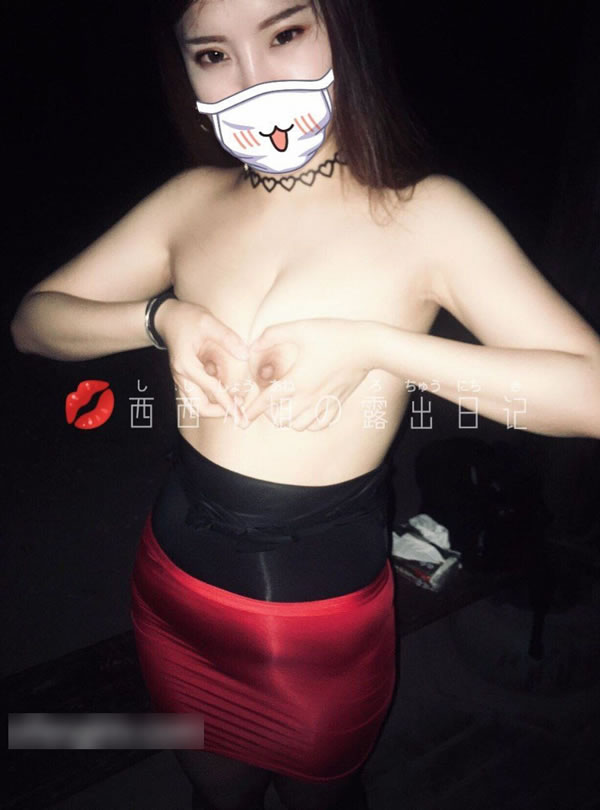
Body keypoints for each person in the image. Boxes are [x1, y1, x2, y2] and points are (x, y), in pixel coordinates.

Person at [9, 1, 600, 808]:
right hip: (170, 592)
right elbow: (33, 324)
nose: (252, 80)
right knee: (215, 795)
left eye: (284, 33)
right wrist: (159, 318)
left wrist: (377, 347)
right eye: (213, 54)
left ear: (342, 32)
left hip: (319, 629)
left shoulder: (425, 215)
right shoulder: (190, 201)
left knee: (322, 796)